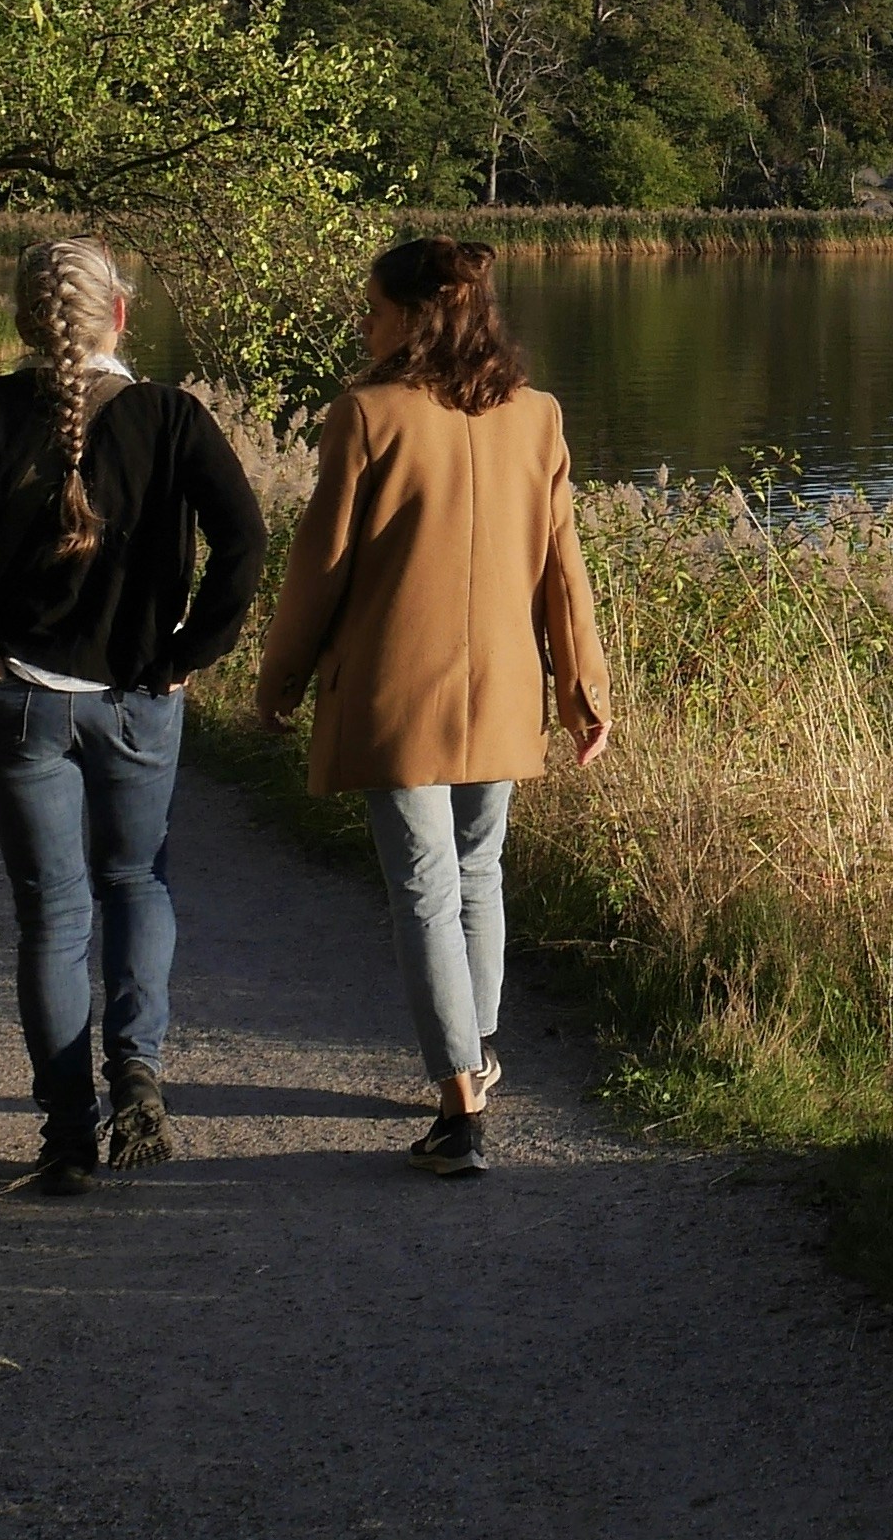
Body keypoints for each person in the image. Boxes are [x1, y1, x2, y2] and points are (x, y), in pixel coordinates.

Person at [0, 236, 265, 1194]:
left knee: (51, 913)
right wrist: (185, 653)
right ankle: (138, 1070)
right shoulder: (172, 418)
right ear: (119, 315)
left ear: (21, 320)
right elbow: (247, 543)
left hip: (14, 698)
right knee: (137, 879)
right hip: (139, 696)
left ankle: (65, 1134)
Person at [251, 236, 610, 1179]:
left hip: (393, 690)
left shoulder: (366, 414)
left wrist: (278, 676)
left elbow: (318, 564)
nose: (361, 322)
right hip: (501, 687)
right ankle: (476, 1057)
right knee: (476, 869)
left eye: (370, 305)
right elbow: (560, 569)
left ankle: (459, 1100)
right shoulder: (536, 415)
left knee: (425, 881)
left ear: (415, 313)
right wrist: (581, 688)